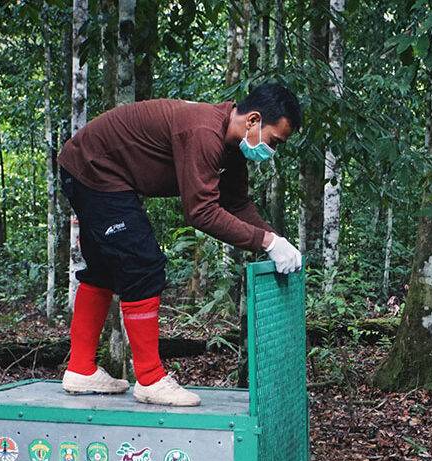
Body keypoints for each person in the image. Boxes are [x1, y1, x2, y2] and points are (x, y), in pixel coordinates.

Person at [57, 83, 303, 406]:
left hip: (95, 172)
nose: (272, 150)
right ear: (254, 120)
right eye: (274, 141)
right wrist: (265, 241)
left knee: (104, 269)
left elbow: (237, 204)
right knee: (143, 265)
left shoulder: (231, 148)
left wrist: (276, 241)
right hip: (94, 169)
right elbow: (201, 212)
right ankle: (150, 379)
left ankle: (80, 369)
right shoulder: (203, 131)